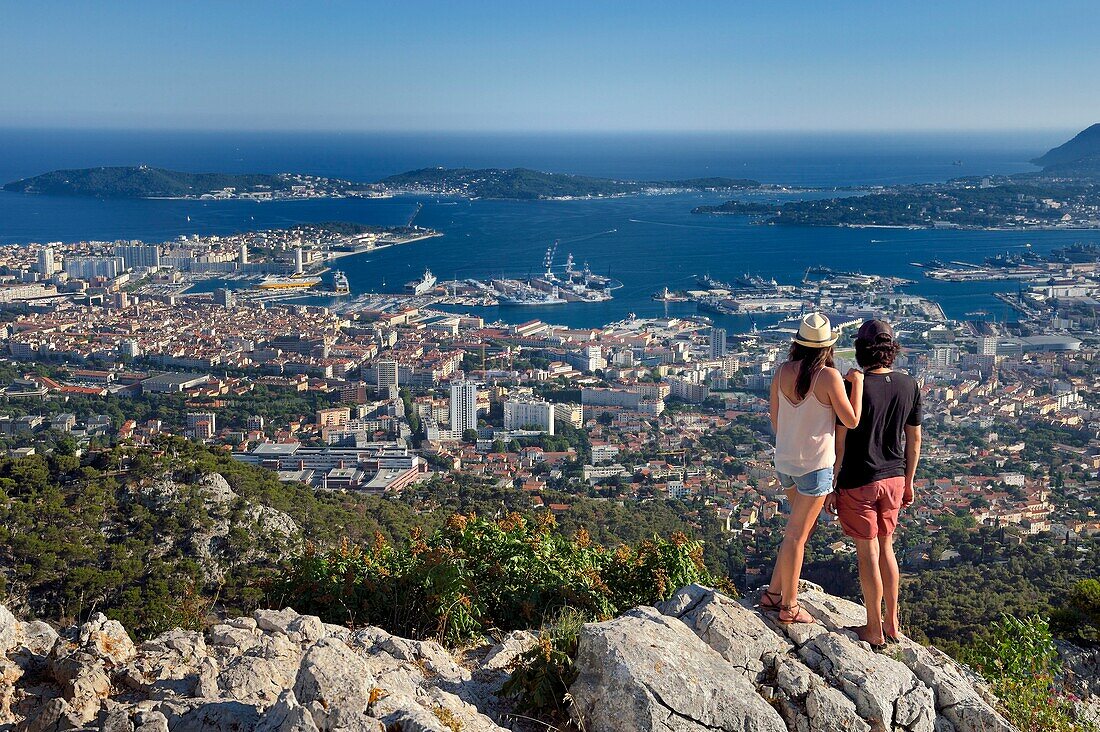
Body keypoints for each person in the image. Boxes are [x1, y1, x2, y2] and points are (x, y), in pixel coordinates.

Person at [761, 313, 863, 624]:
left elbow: (776, 421)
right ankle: (789, 607)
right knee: (796, 535)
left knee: (800, 529)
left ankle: (774, 593)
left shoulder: (781, 372)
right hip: (815, 467)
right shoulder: (829, 377)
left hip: (786, 463)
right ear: (827, 347)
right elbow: (852, 420)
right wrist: (856, 383)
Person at [826, 319, 922, 649]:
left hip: (859, 479)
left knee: (868, 552)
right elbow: (915, 439)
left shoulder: (855, 385)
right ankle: (892, 623)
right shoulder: (910, 385)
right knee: (888, 547)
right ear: (891, 350)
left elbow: (840, 443)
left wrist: (832, 484)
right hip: (894, 478)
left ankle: (873, 629)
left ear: (861, 350)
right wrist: (908, 481)